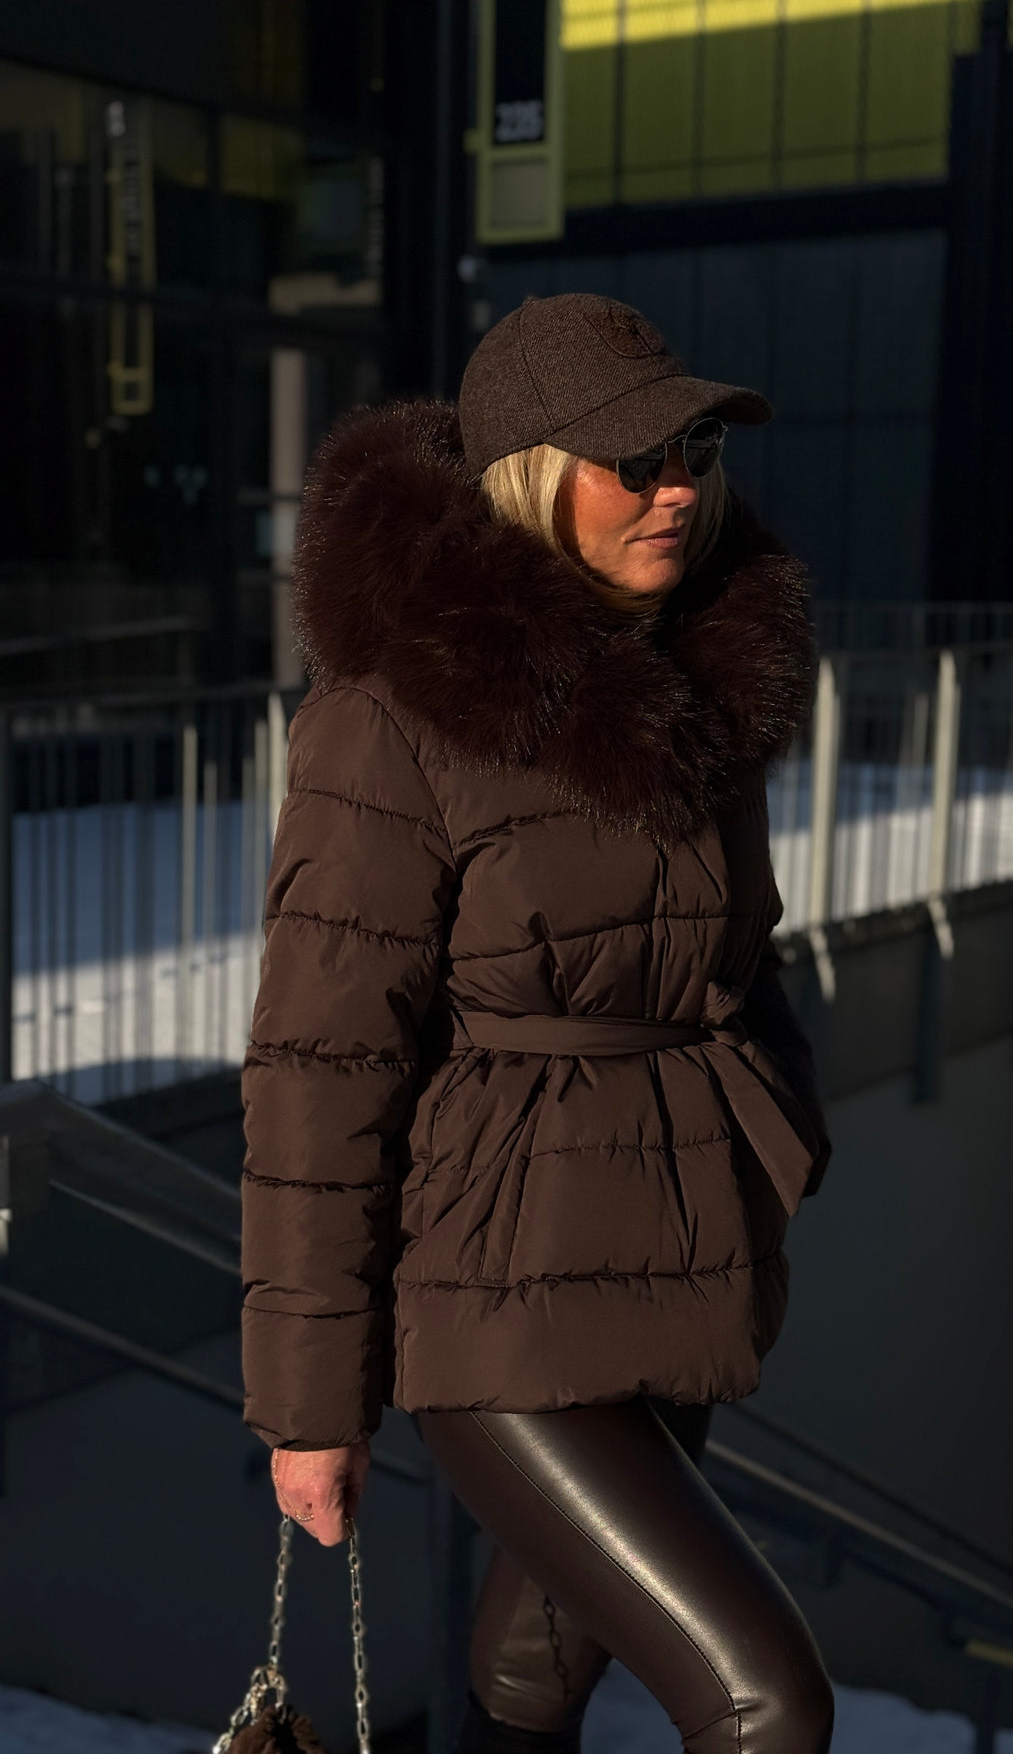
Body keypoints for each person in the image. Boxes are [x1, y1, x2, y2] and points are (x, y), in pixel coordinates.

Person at [241, 293, 836, 1754]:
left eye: (695, 451)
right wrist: (310, 1405)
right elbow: (322, 1066)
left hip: (683, 1257)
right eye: (633, 460)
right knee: (763, 1704)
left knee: (527, 1687)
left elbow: (734, 957)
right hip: (492, 1283)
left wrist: (779, 1125)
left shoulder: (698, 684)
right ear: (529, 474)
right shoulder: (394, 716)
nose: (676, 488)